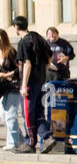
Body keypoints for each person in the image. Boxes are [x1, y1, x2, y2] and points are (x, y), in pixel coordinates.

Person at [12, 16, 55, 153]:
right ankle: (47, 137)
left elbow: (27, 64)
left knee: (28, 114)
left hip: (30, 83)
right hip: (40, 81)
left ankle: (30, 142)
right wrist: (43, 71)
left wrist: (24, 85)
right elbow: (49, 57)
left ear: (16, 27)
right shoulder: (38, 38)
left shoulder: (23, 42)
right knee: (38, 112)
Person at [0, 29, 29, 151]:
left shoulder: (10, 51)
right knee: (4, 116)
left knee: (11, 116)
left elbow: (19, 69)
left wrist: (6, 75)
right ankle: (21, 141)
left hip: (13, 86)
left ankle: (13, 143)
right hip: (2, 88)